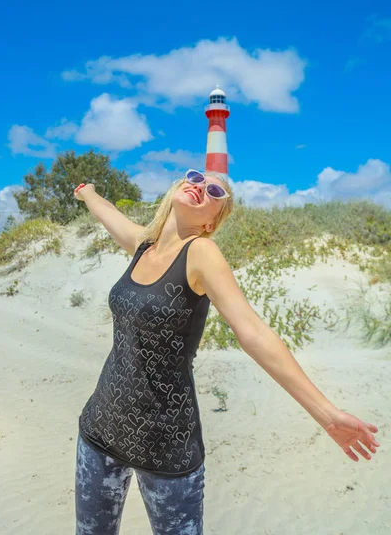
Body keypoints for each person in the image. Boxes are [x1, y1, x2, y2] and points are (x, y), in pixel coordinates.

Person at [73, 169, 381, 535]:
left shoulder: (201, 253)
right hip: (99, 431)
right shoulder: (143, 246)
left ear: (211, 222)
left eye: (215, 189)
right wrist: (88, 193)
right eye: (195, 177)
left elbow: (253, 333)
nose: (201, 185)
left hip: (166, 447)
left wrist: (326, 414)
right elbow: (108, 213)